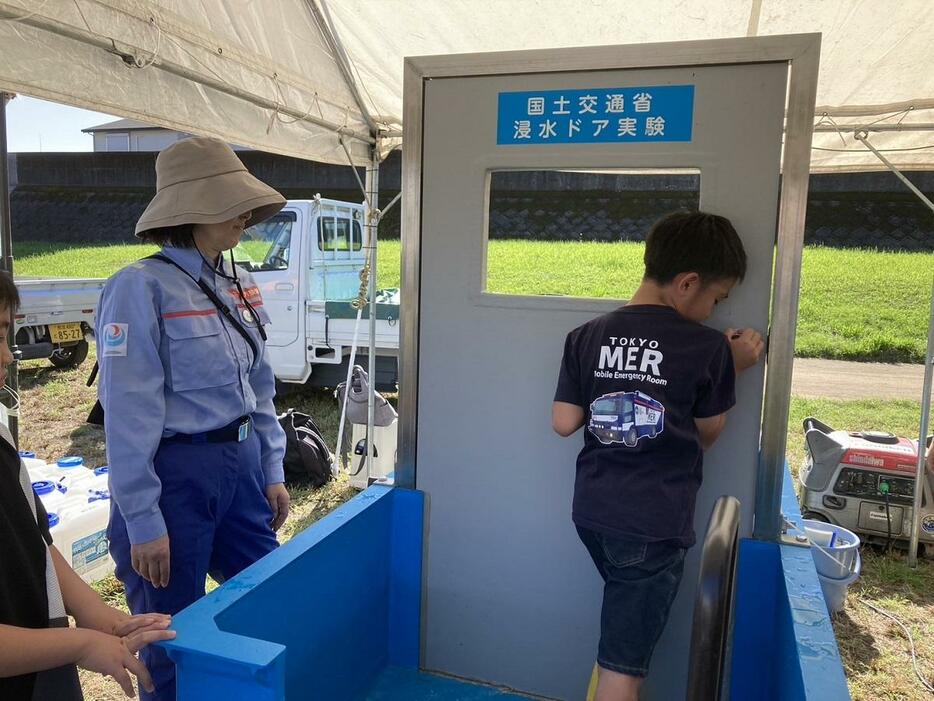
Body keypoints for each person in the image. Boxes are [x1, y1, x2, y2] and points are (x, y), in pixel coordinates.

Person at [96, 137, 291, 701]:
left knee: (267, 603)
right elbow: (129, 412)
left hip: (242, 463)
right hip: (175, 476)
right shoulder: (139, 287)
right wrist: (144, 520)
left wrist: (272, 467)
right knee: (169, 633)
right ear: (192, 212)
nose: (246, 217)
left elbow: (260, 386)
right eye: (232, 203)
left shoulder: (236, 283)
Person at [552, 211, 764, 701]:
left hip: (592, 513)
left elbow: (563, 422)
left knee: (621, 630)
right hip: (652, 525)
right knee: (623, 668)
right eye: (716, 297)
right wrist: (731, 367)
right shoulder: (708, 347)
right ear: (688, 283)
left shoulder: (586, 335)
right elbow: (708, 434)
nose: (714, 311)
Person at [0, 270, 175, 700]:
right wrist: (79, 644)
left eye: (7, 335)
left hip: (40, 667)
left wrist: (97, 615)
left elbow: (34, 542)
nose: (7, 357)